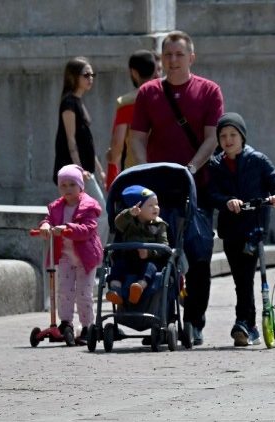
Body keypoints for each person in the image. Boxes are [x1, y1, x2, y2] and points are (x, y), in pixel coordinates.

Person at [130, 30, 224, 346]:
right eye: (167, 55)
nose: (173, 61)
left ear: (191, 58)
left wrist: (193, 167)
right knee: (158, 255)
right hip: (158, 190)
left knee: (198, 256)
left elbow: (212, 137)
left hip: (196, 187)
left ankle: (194, 321)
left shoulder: (209, 91)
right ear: (161, 59)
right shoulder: (148, 93)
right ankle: (163, 320)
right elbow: (138, 138)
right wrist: (145, 170)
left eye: (179, 55)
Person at [208, 113, 275, 347]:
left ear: (242, 137)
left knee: (245, 277)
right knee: (239, 278)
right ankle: (248, 323)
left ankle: (245, 323)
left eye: (233, 135)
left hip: (254, 229)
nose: (228, 140)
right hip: (231, 230)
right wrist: (227, 201)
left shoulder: (257, 160)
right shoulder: (217, 165)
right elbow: (212, 193)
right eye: (223, 136)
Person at [38, 164, 103, 345]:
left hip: (85, 257)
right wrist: (44, 226)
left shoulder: (88, 206)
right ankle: (66, 322)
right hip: (65, 255)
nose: (67, 189)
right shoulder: (57, 207)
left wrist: (67, 229)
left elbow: (88, 229)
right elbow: (48, 220)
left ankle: (87, 326)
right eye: (63, 185)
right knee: (64, 291)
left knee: (84, 293)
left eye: (72, 185)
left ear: (80, 186)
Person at [105, 50, 162, 190]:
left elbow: (117, 146)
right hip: (165, 169)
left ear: (134, 73)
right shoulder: (168, 97)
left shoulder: (126, 102)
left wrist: (110, 156)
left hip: (135, 172)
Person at [105, 185, 169, 306]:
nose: (155, 208)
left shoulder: (160, 225)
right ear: (138, 209)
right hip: (128, 259)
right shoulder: (129, 222)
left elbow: (164, 246)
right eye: (150, 205)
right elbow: (118, 223)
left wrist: (149, 252)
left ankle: (139, 287)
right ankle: (115, 290)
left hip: (149, 260)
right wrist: (129, 213)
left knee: (150, 268)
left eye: (157, 204)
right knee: (118, 266)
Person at [52, 56, 105, 185]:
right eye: (86, 75)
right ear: (74, 77)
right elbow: (71, 139)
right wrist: (79, 169)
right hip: (74, 173)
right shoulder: (69, 103)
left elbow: (87, 140)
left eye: (92, 74)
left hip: (85, 170)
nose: (90, 78)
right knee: (99, 205)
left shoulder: (78, 101)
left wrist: (100, 171)